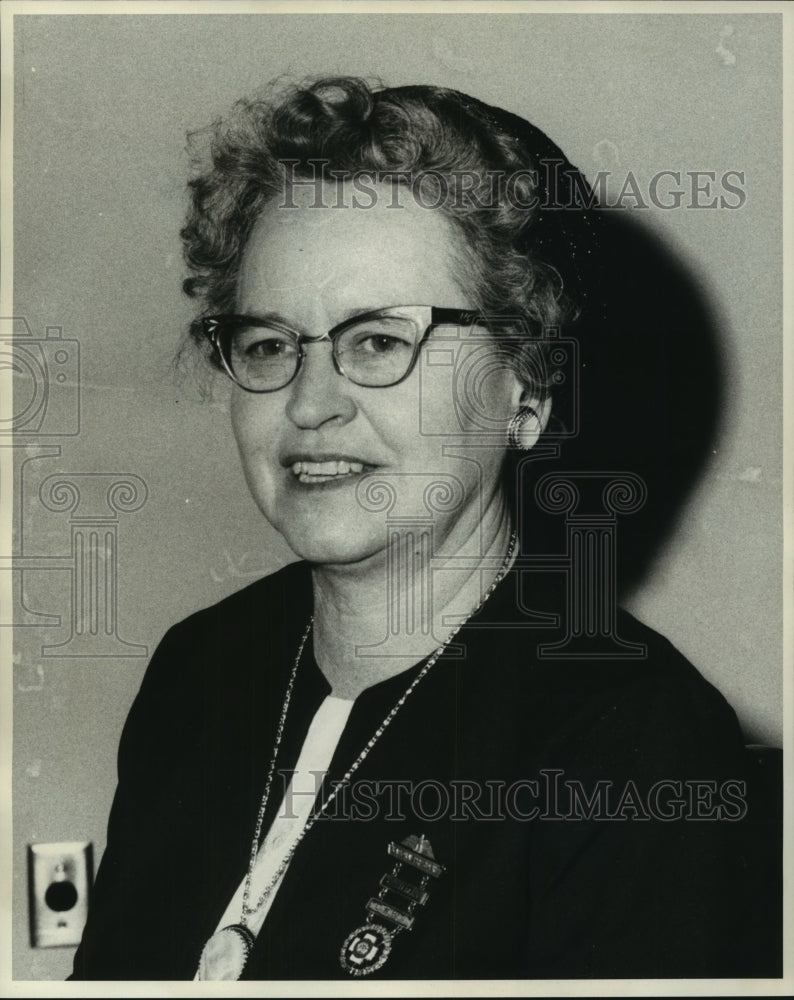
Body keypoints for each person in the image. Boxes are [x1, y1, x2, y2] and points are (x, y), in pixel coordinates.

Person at [70, 77, 776, 981]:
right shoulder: (201, 669)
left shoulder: (635, 746)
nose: (310, 402)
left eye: (378, 340)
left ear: (526, 386)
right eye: (268, 343)